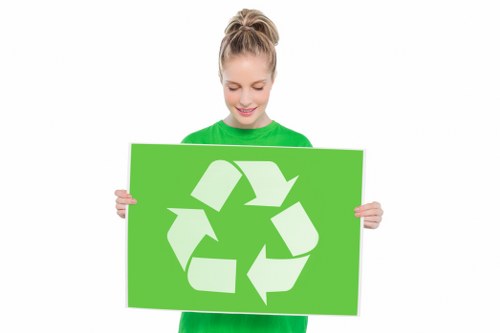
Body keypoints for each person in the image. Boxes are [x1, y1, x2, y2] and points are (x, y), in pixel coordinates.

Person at [114, 8, 384, 333]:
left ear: (273, 80)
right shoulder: (193, 148)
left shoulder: (298, 149)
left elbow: (319, 226)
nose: (245, 99)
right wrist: (135, 210)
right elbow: (168, 223)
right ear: (219, 80)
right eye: (233, 87)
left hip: (276, 325)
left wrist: (361, 217)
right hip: (206, 325)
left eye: (258, 87)